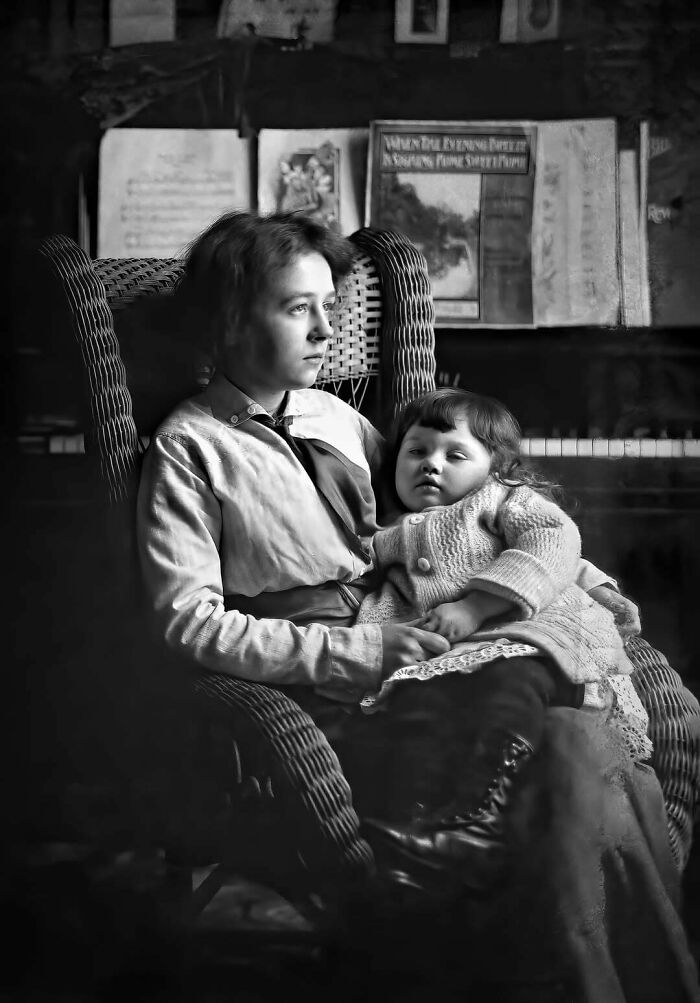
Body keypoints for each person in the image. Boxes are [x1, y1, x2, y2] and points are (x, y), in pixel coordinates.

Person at [136, 210, 700, 1001]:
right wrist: (364, 651)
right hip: (334, 702)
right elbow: (186, 622)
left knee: (576, 744)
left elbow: (451, 524)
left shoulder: (337, 419)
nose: (326, 329)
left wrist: (579, 580)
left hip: (446, 671)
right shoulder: (188, 448)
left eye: (330, 306)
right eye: (299, 309)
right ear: (231, 319)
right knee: (572, 752)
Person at [354, 387, 652, 884]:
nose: (431, 464)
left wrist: (476, 607)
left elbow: (554, 542)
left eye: (455, 455)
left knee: (507, 687)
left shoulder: (503, 500)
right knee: (420, 703)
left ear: (495, 467)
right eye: (416, 451)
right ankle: (423, 821)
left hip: (534, 640)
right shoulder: (385, 527)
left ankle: (480, 822)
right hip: (457, 656)